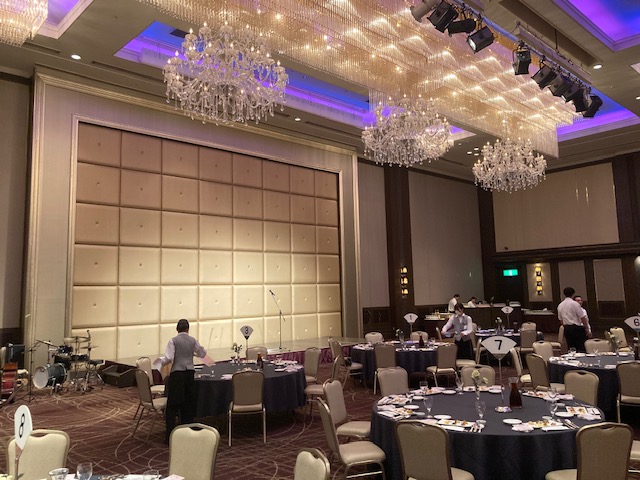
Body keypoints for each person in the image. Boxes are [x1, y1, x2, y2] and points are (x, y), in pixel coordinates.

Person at [157, 318, 212, 442]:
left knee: (173, 405)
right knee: (187, 403)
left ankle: (170, 436)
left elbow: (169, 358)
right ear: (188, 329)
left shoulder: (173, 341)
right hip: (189, 373)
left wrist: (160, 362)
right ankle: (188, 433)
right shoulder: (193, 340)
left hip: (177, 373)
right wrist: (193, 353)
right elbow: (203, 354)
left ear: (177, 329)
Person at [557, 287, 591, 353]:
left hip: (567, 328)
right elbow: (582, 317)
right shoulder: (575, 304)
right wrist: (587, 328)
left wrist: (565, 327)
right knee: (581, 347)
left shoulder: (560, 305)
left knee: (571, 347)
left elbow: (561, 320)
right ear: (573, 294)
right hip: (577, 328)